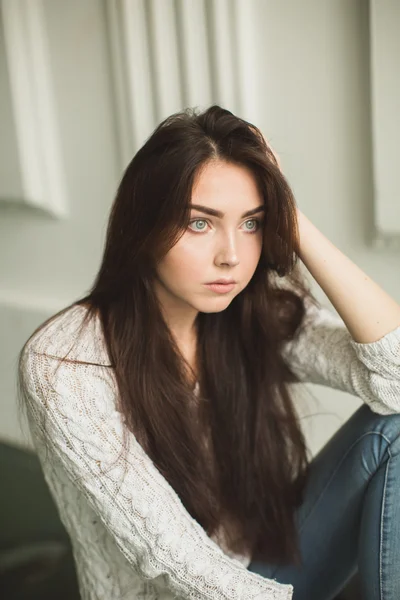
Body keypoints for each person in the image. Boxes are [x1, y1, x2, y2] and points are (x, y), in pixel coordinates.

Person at [17, 105, 400, 600]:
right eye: (201, 223)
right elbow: (172, 555)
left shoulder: (252, 314)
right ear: (144, 225)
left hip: (265, 568)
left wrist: (291, 215)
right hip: (188, 591)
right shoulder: (64, 365)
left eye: (252, 224)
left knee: (393, 427)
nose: (232, 257)